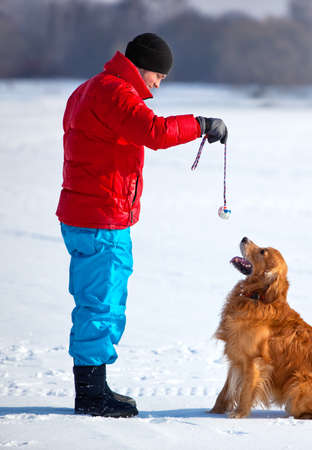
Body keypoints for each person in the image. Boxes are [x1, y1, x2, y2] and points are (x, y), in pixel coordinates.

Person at [56, 33, 228, 418]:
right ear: (144, 66)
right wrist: (200, 124)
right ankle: (90, 394)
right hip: (102, 216)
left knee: (100, 301)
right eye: (159, 76)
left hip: (90, 211)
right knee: (100, 304)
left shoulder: (88, 89)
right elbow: (154, 132)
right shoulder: (114, 93)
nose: (158, 84)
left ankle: (95, 386)